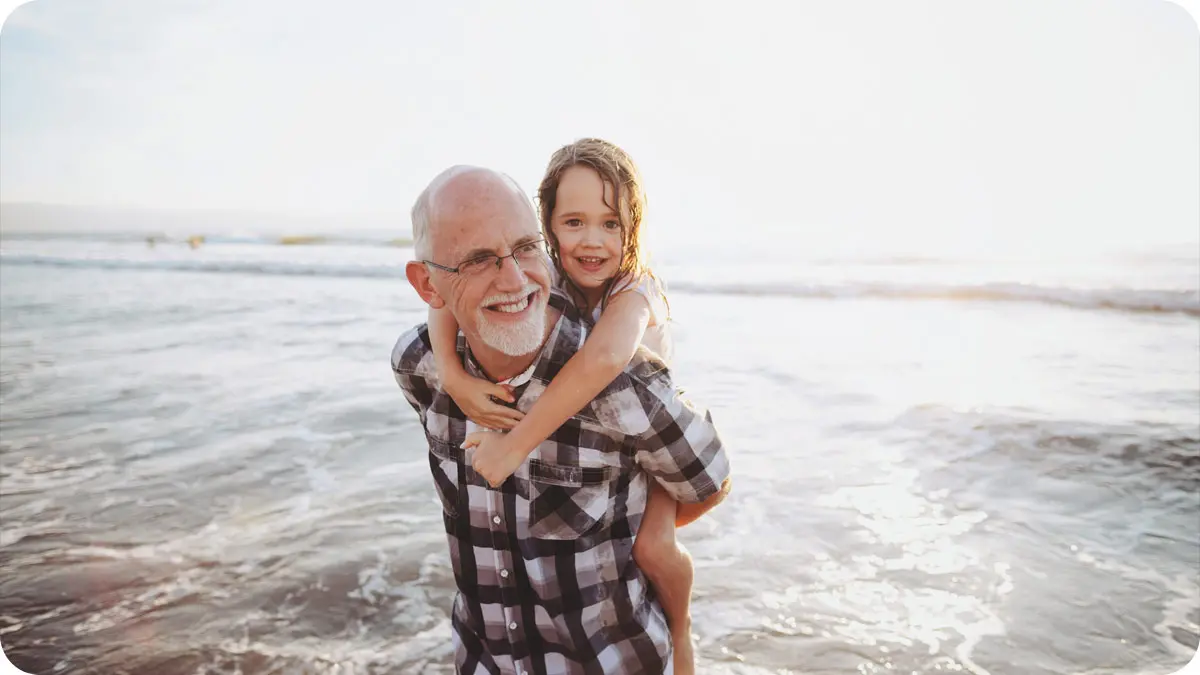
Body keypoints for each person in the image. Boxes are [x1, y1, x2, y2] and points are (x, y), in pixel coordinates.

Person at [391, 164, 731, 674]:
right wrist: (453, 373)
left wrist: (632, 522)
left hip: (610, 663)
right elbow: (449, 305)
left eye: (523, 249)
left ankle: (682, 637)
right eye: (480, 259)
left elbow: (710, 478)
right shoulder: (422, 366)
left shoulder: (624, 376)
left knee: (658, 547)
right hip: (484, 660)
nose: (512, 279)